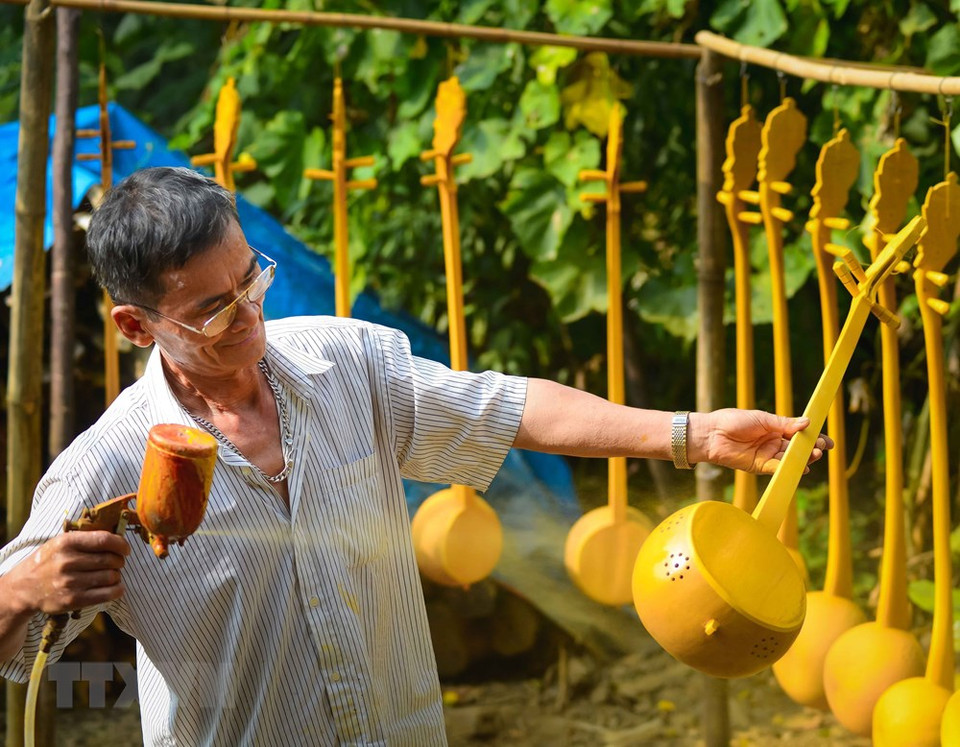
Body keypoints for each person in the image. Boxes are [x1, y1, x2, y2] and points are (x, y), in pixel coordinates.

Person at [0, 167, 831, 746]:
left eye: (252, 280)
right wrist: (27, 586)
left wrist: (694, 434)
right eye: (215, 311)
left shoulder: (346, 363)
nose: (250, 315)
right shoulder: (103, 466)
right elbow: (13, 637)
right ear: (136, 326)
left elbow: (511, 407)